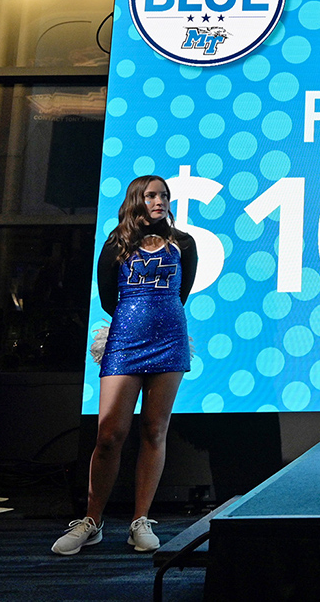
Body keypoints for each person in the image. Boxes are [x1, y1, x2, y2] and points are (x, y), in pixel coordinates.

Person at [52, 176, 197, 555]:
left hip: (169, 342)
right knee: (109, 434)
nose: (160, 201)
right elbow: (106, 298)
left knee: (154, 430)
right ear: (136, 200)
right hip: (124, 343)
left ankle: (140, 521)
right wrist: (135, 321)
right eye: (152, 195)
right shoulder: (115, 245)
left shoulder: (183, 244)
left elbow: (182, 293)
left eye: (164, 196)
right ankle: (92, 520)